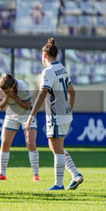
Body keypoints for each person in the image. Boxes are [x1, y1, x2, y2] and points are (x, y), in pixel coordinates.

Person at [25, 38, 84, 190]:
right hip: (64, 114)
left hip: (56, 114)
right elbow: (72, 92)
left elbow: (42, 94)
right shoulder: (62, 69)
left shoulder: (48, 71)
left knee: (55, 147)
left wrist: (31, 115)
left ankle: (58, 184)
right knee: (57, 147)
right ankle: (76, 175)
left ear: (44, 55)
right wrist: (69, 110)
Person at [0, 74, 39, 182]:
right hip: (11, 115)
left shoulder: (22, 86)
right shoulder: (1, 88)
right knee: (4, 143)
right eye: (4, 91)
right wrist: (7, 97)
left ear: (13, 86)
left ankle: (35, 175)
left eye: (8, 90)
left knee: (30, 143)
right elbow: (1, 107)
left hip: (27, 115)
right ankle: (2, 174)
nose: (5, 92)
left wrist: (13, 97)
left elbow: (27, 106)